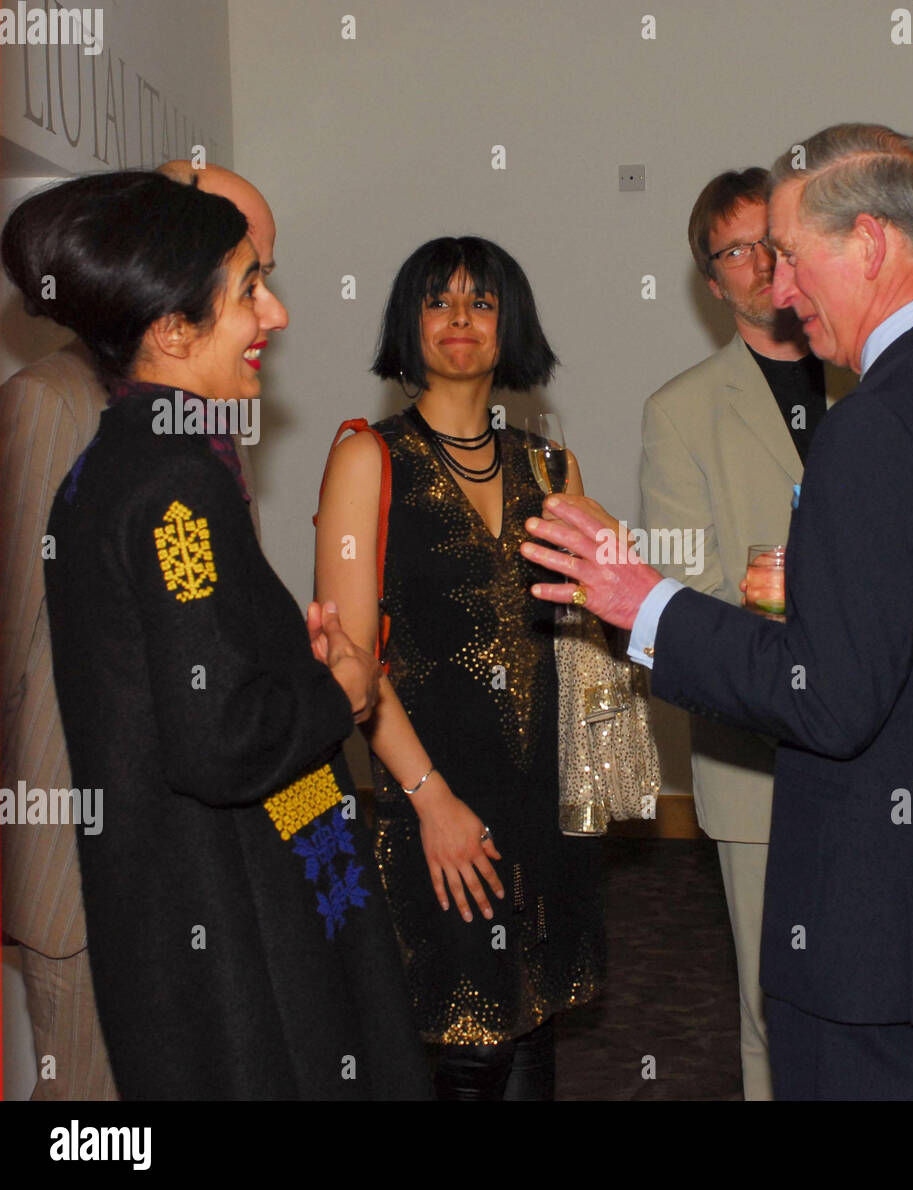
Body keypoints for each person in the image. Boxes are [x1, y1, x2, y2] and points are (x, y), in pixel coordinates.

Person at [523, 123, 913, 1100]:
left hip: (878, 943)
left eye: (789, 256)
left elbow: (831, 698)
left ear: (866, 244)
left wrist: (643, 600)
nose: (780, 291)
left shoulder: (870, 427)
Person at [1, 170, 429, 1099]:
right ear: (172, 331)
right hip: (232, 934)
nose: (273, 314)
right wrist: (343, 690)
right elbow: (218, 740)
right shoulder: (173, 483)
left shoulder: (118, 463)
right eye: (248, 289)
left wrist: (284, 659)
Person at [0, 161, 278, 1100]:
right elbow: (15, 639)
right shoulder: (51, 403)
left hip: (183, 842)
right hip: (77, 837)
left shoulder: (203, 413)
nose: (267, 312)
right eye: (247, 279)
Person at [314, 236, 604, 1100]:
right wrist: (429, 797)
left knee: (535, 1024)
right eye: (439, 302)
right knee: (469, 1037)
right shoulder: (369, 457)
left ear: (510, 324)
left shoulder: (552, 467)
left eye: (482, 303)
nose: (460, 321)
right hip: (433, 790)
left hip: (543, 794)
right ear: (409, 322)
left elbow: (580, 634)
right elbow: (350, 659)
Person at [640, 166, 854, 1100]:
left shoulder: (872, 375)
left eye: (775, 239)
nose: (764, 263)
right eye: (738, 250)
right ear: (711, 278)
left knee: (891, 991)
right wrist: (803, 595)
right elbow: (688, 592)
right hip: (760, 749)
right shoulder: (680, 411)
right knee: (779, 1001)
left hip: (892, 740)